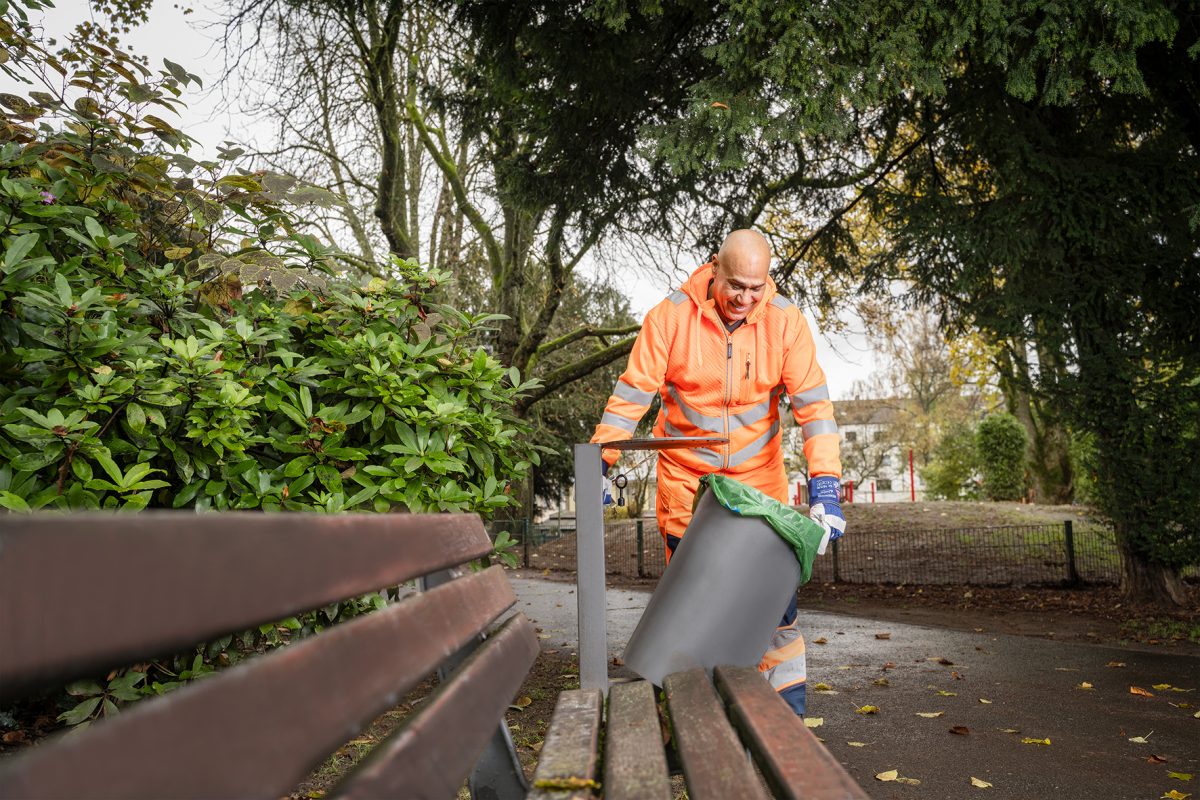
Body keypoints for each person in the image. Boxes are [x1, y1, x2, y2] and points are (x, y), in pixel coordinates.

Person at [591, 229, 845, 715]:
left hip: (760, 492)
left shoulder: (785, 322)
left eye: (756, 288)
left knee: (775, 617)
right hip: (690, 492)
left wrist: (826, 486)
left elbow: (815, 408)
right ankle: (694, 728)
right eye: (736, 286)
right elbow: (631, 396)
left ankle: (784, 726)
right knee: (693, 617)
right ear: (714, 269)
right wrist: (602, 460)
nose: (745, 300)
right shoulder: (669, 317)